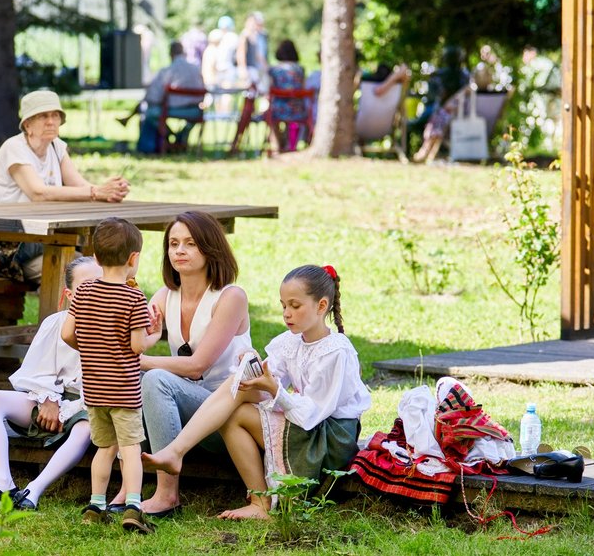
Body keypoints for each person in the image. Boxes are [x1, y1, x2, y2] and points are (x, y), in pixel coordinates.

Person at [143, 264, 370, 520]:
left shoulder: (335, 352)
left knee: (237, 402)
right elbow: (270, 374)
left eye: (295, 306)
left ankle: (178, 453)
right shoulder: (291, 341)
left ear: (321, 306)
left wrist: (273, 389)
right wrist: (250, 362)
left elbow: (311, 414)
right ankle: (257, 501)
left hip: (329, 438)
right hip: (307, 425)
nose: (287, 313)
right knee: (239, 389)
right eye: (284, 305)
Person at [119, 211, 253, 518]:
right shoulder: (167, 295)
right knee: (128, 382)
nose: (180, 250)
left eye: (191, 244)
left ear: (211, 248)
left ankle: (166, 495)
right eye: (174, 243)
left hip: (229, 421)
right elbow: (135, 341)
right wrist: (142, 335)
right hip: (187, 416)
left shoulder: (231, 297)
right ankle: (127, 485)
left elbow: (197, 365)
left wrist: (142, 360)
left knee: (154, 379)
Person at [0, 256, 103, 509]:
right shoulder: (55, 323)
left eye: (100, 284)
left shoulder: (113, 326)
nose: (95, 291)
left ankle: (34, 489)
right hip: (51, 398)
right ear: (70, 294)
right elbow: (36, 369)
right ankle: (3, 482)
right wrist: (48, 398)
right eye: (86, 286)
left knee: (86, 428)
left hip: (89, 404)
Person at [0, 90, 129, 284]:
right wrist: (95, 192)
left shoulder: (56, 146)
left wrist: (109, 191)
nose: (51, 121)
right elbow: (38, 193)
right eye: (43, 116)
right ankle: (64, 315)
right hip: (5, 249)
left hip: (40, 242)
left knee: (102, 270)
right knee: (82, 273)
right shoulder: (14, 148)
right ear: (27, 125)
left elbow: (80, 185)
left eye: (55, 115)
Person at [61, 218, 155, 533]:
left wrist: (89, 346)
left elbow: (67, 333)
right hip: (125, 390)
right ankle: (133, 505)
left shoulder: (84, 291)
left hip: (94, 389)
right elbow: (137, 346)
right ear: (133, 259)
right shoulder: (134, 298)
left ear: (97, 259)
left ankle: (96, 504)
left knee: (104, 448)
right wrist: (152, 332)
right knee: (129, 451)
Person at [134, 41, 204, 154]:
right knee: (154, 112)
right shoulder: (196, 70)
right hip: (194, 111)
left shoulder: (167, 71)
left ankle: (167, 139)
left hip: (171, 110)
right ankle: (179, 138)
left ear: (171, 54)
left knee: (150, 113)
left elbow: (153, 97)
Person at [411, 46, 471, 162]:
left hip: (451, 111)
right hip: (451, 111)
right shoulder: (464, 76)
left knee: (436, 120)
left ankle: (426, 151)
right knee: (438, 119)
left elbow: (437, 95)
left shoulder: (443, 75)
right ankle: (428, 153)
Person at [266, 39, 307, 154]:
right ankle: (291, 144)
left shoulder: (274, 69)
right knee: (294, 121)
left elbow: (270, 88)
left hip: (279, 107)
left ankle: (278, 144)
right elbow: (303, 87)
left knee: (271, 118)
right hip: (297, 108)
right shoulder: (300, 69)